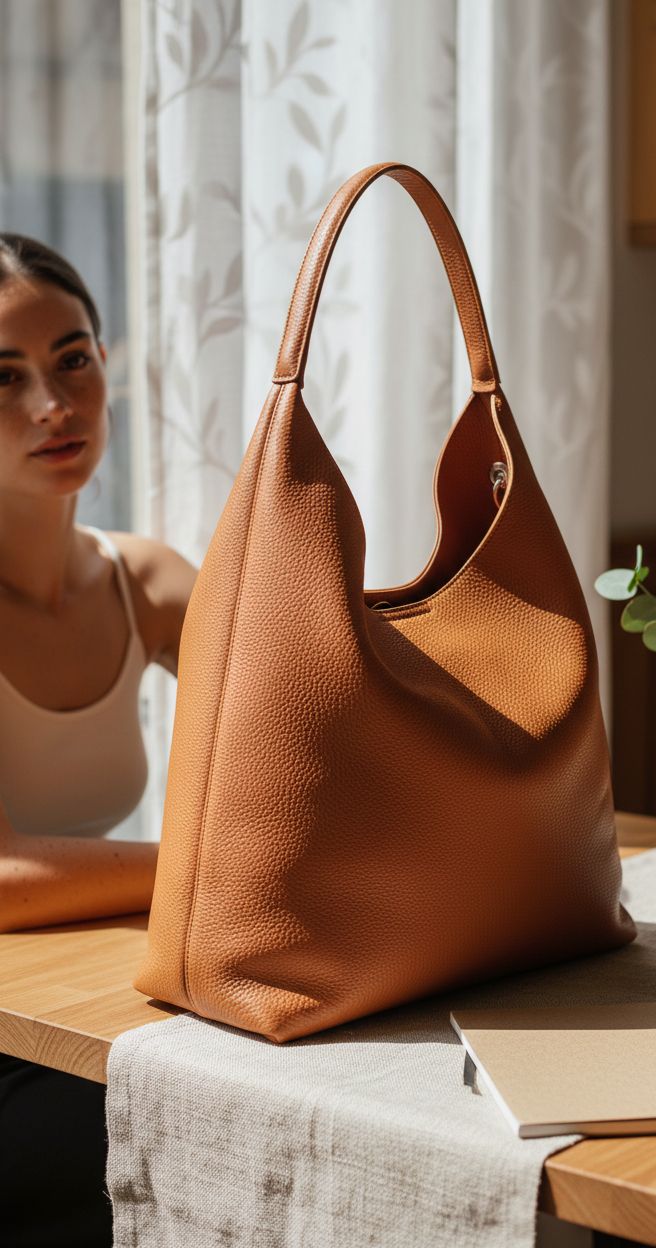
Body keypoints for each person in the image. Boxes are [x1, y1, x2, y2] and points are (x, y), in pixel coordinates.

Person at [0, 233, 197, 1247]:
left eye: (72, 359)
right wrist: (203, 868)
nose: (53, 405)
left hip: (73, 996)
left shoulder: (145, 580)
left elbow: (309, 732)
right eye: (4, 377)